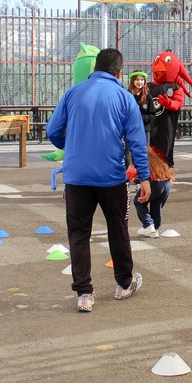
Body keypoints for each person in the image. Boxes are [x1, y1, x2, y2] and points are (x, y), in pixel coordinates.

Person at [46, 48, 151, 312]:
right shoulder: (125, 98)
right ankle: (123, 284)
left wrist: (71, 145)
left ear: (94, 69)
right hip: (111, 177)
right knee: (118, 229)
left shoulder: (72, 93)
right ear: (119, 72)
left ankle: (84, 294)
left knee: (79, 234)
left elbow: (52, 130)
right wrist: (145, 177)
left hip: (77, 176)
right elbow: (137, 142)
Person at [134, 146, 174, 238]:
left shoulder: (138, 153)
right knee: (157, 205)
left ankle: (148, 225)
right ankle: (155, 229)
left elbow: (132, 170)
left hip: (154, 183)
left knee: (139, 202)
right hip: (166, 182)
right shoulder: (154, 151)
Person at [127, 71, 155, 143]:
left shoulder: (148, 96)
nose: (139, 82)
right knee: (130, 149)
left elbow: (152, 114)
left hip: (144, 130)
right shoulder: (127, 95)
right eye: (137, 79)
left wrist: (141, 118)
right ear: (133, 81)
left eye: (142, 80)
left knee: (144, 149)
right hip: (130, 129)